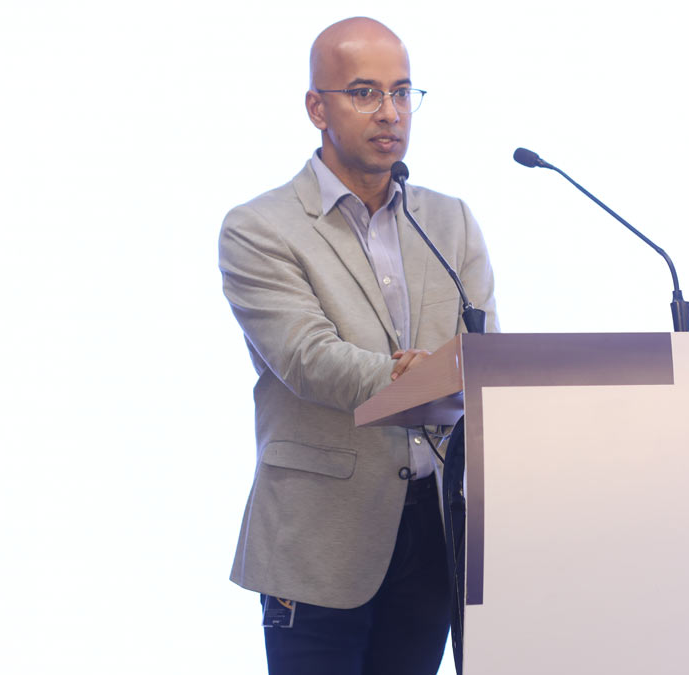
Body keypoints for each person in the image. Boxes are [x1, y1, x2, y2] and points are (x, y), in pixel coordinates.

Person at [217, 16, 498, 675]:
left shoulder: (450, 221)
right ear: (318, 108)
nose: (390, 112)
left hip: (434, 529)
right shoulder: (259, 228)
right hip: (320, 533)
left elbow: (484, 354)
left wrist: (462, 372)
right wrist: (417, 376)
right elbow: (307, 358)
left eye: (402, 92)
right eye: (365, 92)